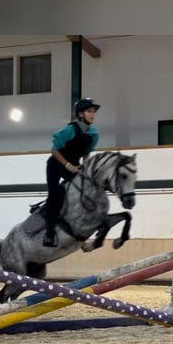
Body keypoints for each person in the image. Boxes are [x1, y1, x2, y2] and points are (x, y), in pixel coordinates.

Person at [42, 98, 101, 247]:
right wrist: (68, 165)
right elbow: (54, 150)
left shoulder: (93, 134)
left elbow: (87, 153)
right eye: (89, 111)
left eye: (93, 112)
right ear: (80, 114)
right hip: (56, 165)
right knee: (54, 194)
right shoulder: (70, 130)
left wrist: (85, 168)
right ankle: (49, 232)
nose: (92, 114)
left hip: (74, 166)